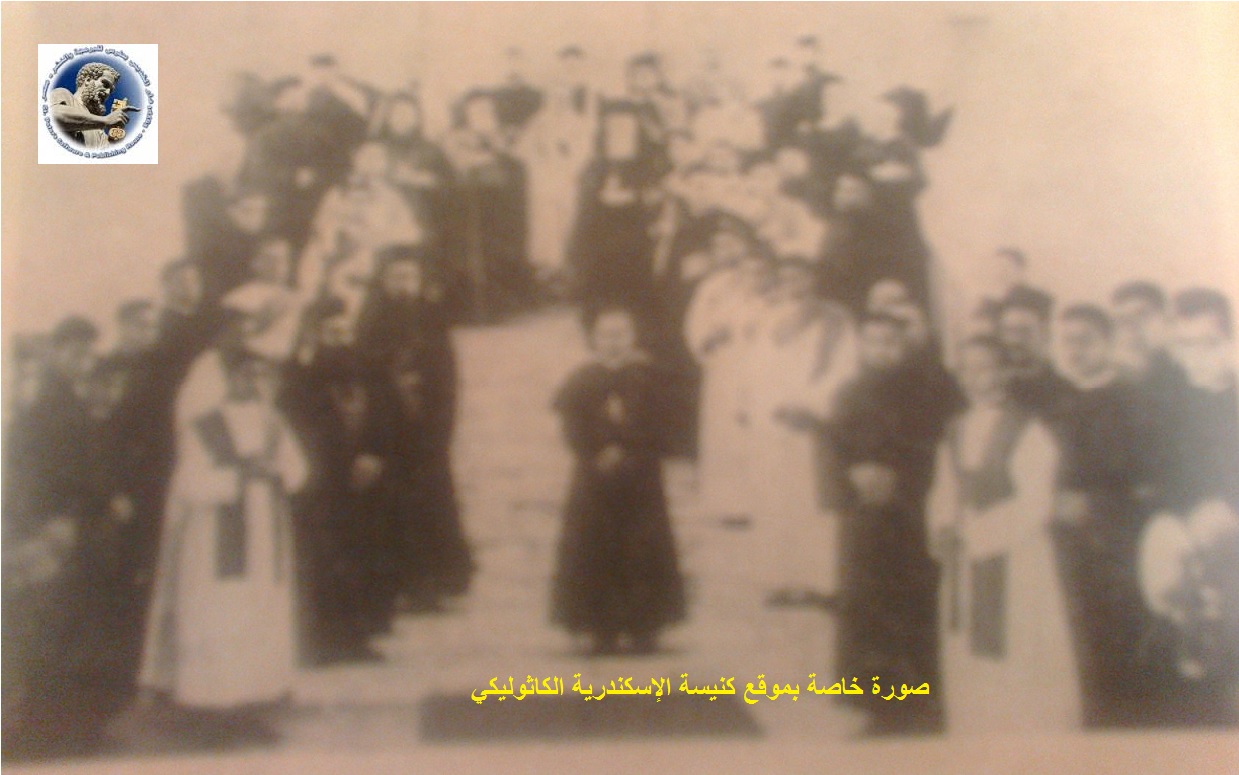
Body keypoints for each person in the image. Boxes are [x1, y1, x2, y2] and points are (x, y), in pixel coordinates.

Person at [138, 346, 308, 712]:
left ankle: (263, 687)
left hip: (265, 535)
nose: (254, 383)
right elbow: (189, 483)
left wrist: (275, 472)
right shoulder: (204, 424)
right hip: (216, 537)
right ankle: (214, 694)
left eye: (260, 375)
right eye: (246, 374)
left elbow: (298, 470)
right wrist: (238, 476)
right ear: (228, 378)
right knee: (222, 608)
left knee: (261, 606)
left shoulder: (273, 421)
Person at [926, 335, 1082, 734]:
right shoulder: (956, 429)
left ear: (1005, 372)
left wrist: (978, 536)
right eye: (965, 370)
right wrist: (943, 526)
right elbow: (945, 489)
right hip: (966, 559)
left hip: (1017, 558)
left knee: (1018, 644)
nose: (973, 379)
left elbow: (1036, 501)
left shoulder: (1028, 430)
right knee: (969, 651)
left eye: (984, 368)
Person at [827, 310, 957, 735]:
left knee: (912, 601)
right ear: (861, 346)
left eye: (891, 342)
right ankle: (874, 706)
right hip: (862, 517)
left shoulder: (927, 393)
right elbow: (832, 446)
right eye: (874, 341)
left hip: (910, 512)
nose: (882, 350)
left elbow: (937, 448)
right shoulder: (847, 393)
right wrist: (853, 476)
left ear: (905, 346)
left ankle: (918, 700)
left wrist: (900, 479)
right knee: (866, 604)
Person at [550, 306, 686, 655]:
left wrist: (628, 449)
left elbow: (663, 424)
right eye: (605, 335)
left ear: (633, 337)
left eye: (621, 334)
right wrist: (596, 450)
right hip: (595, 476)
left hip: (641, 476)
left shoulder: (651, 377)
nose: (613, 342)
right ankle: (601, 627)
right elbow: (572, 426)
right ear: (594, 339)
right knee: (595, 544)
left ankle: (645, 625)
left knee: (642, 544)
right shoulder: (580, 380)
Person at [1050, 303, 1149, 727]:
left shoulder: (1132, 398)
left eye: (1085, 341)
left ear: (1108, 343)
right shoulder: (1058, 400)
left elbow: (1140, 471)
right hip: (1064, 528)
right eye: (1066, 342)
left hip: (1115, 529)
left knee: (1117, 626)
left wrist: (1095, 501)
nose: (1074, 351)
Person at [996, 284, 1071, 420]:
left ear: (1046, 333)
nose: (1013, 340)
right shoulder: (994, 387)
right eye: (1008, 330)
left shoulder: (1064, 394)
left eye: (1023, 331)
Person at [49, 61, 131, 148]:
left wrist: (115, 131)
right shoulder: (63, 94)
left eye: (110, 91)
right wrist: (106, 120)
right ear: (88, 80)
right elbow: (53, 116)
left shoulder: (99, 130)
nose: (107, 92)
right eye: (105, 84)